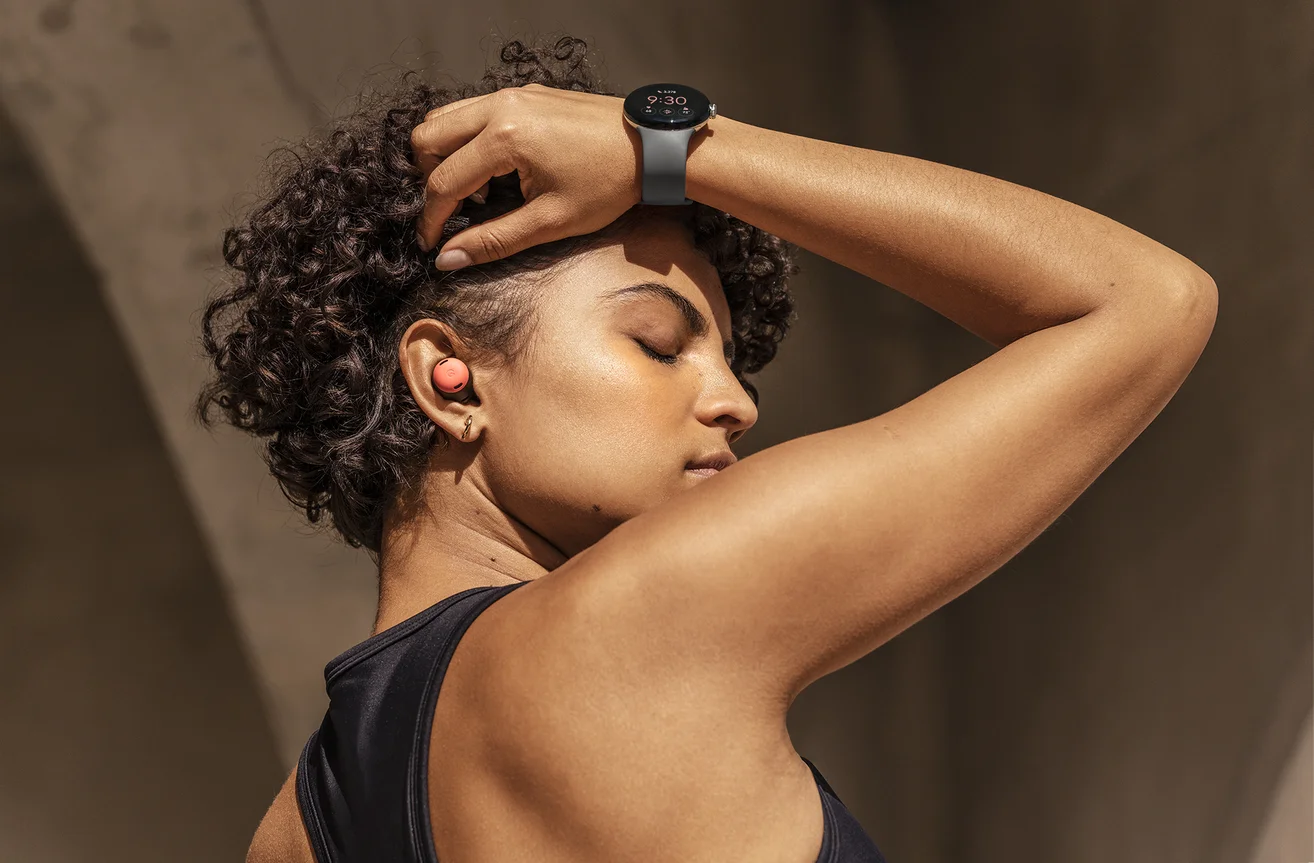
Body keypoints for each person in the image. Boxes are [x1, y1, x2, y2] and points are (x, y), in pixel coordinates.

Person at [199, 34, 1217, 863]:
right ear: (448, 378)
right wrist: (667, 147)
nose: (733, 402)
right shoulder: (646, 615)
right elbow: (1144, 302)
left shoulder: (296, 831)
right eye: (658, 342)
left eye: (733, 361)